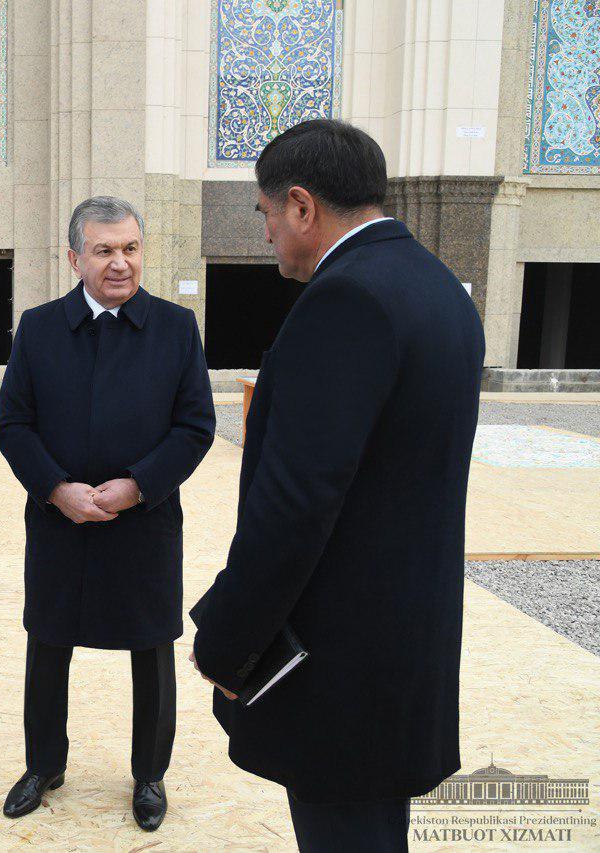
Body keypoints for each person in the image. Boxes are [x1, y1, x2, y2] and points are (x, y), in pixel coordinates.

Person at [189, 119, 485, 851]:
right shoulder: (438, 286)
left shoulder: (345, 300)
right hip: (404, 642)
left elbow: (297, 503)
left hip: (341, 663)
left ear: (300, 205)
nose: (264, 238)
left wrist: (227, 642)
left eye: (263, 216)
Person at [0, 195, 215, 831]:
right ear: (74, 257)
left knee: (151, 647)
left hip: (142, 523)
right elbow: (14, 424)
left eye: (130, 249)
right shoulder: (38, 329)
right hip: (60, 521)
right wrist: (57, 489)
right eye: (104, 250)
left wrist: (138, 486)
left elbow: (195, 426)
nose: (120, 263)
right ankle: (44, 764)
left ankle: (149, 775)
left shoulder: (176, 329)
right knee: (49, 643)